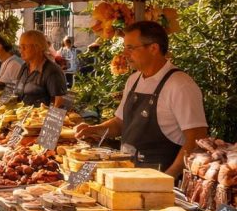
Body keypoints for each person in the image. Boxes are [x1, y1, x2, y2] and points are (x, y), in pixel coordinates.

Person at [76, 21, 208, 176]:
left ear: (153, 48)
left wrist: (169, 176)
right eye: (124, 47)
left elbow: (196, 138)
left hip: (160, 178)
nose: (125, 54)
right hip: (127, 173)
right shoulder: (134, 80)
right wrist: (94, 130)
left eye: (131, 48)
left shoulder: (180, 85)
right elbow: (120, 123)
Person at [15, 30, 68, 107]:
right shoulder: (24, 67)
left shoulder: (52, 71)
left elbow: (59, 102)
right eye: (20, 47)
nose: (21, 51)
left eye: (24, 47)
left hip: (39, 117)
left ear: (38, 47)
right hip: (21, 115)